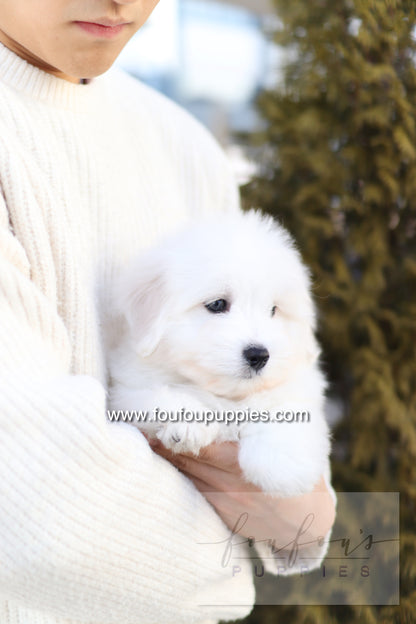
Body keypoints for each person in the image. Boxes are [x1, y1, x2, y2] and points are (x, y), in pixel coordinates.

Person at [0, 1, 336, 623]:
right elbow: (35, 508)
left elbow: (297, 490)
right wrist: (247, 569)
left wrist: (303, 524)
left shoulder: (188, 147)